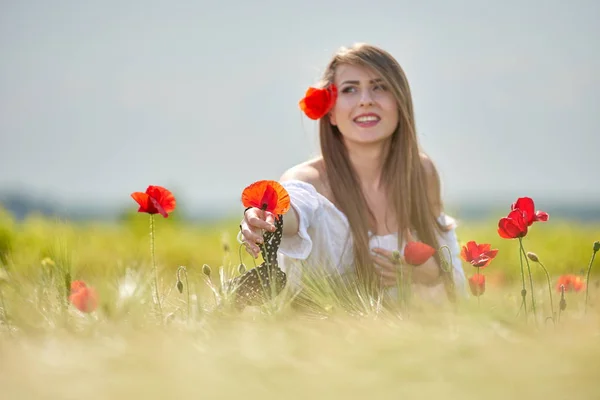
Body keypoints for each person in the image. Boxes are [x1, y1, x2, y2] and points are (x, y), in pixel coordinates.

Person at [239, 43, 467, 304]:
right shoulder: (307, 181)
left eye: (379, 86)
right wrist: (268, 218)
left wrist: (426, 273)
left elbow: (449, 269)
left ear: (400, 101)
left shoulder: (420, 173)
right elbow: (292, 209)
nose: (366, 99)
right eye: (350, 89)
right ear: (331, 112)